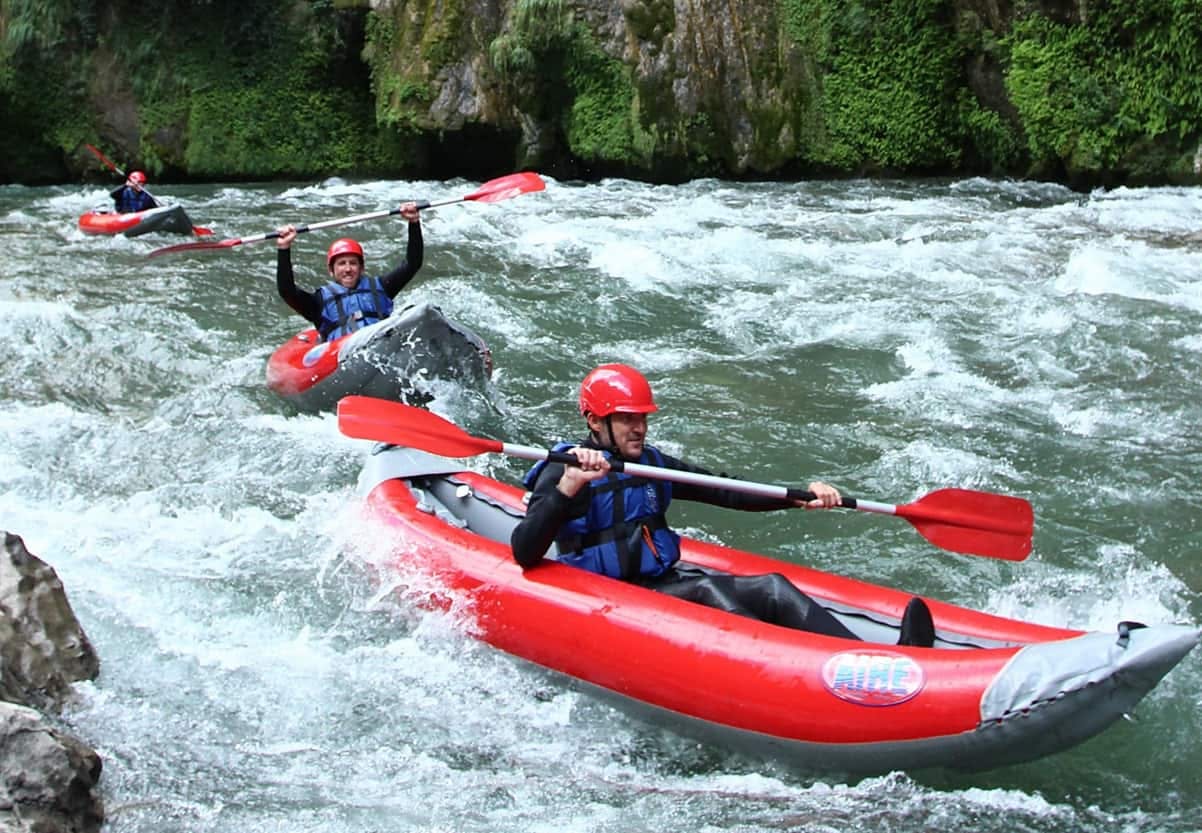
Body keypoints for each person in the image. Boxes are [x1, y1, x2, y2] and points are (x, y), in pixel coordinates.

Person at [510, 363, 936, 647]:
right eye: (626, 419)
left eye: (642, 418)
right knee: (709, 589)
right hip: (605, 600)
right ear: (594, 421)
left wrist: (798, 496)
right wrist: (568, 486)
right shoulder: (563, 470)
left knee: (772, 587)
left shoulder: (653, 464)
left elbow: (726, 491)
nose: (638, 428)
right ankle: (795, 667)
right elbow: (524, 551)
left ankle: (875, 661)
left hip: (659, 584)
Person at [275, 202, 423, 341]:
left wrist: (414, 222)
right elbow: (286, 290)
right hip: (341, 355)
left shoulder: (382, 287)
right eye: (341, 264)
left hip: (380, 345)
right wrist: (284, 248)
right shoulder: (318, 302)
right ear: (331, 271)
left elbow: (412, 264)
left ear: (362, 268)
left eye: (353, 263)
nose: (347, 269)